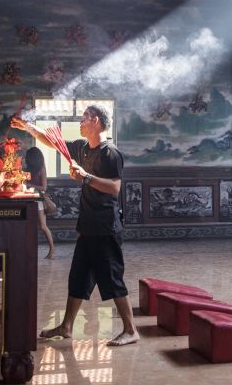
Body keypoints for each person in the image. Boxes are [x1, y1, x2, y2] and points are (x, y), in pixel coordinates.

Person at [10, 106, 139, 346]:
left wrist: (86, 177)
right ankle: (67, 326)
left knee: (112, 278)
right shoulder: (82, 147)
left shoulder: (110, 153)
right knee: (78, 276)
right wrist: (28, 127)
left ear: (97, 121)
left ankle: (131, 330)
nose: (81, 122)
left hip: (105, 226)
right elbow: (51, 141)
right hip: (88, 226)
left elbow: (114, 188)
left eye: (84, 118)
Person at [23, 146, 56, 259]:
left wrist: (29, 185)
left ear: (33, 158)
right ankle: (27, 250)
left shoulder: (41, 168)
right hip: (27, 198)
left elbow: (44, 187)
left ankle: (52, 249)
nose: (26, 159)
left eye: (28, 157)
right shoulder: (27, 169)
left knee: (42, 225)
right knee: (27, 225)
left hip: (38, 199)